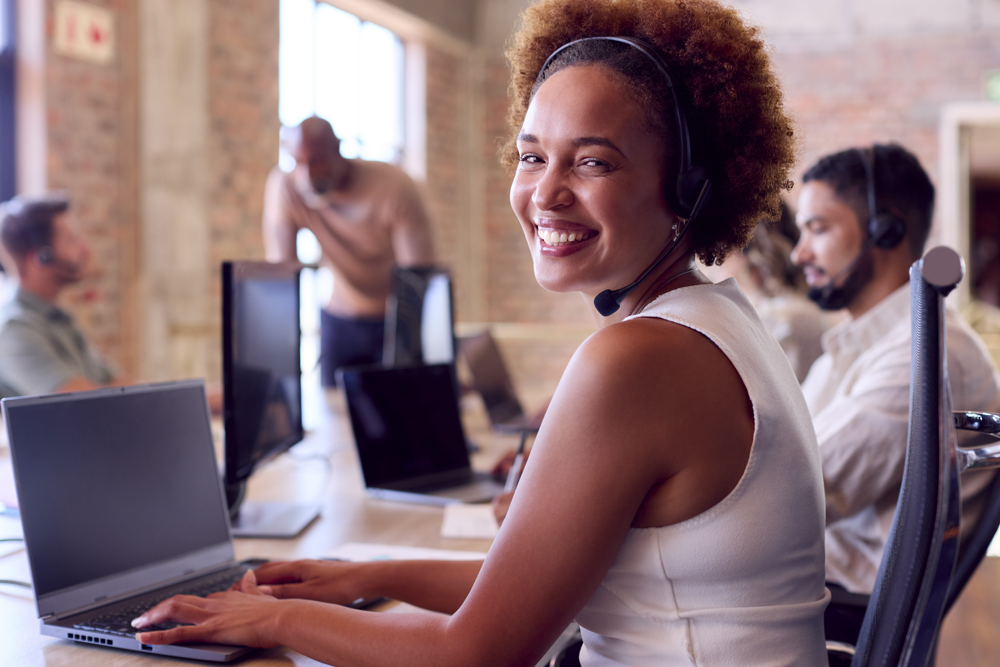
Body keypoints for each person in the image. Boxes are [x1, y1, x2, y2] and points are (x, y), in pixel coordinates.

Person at [134, 1, 829, 664]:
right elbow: (543, 583)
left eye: (592, 161)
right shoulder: (716, 320)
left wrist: (270, 617)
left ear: (690, 187)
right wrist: (360, 576)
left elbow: (478, 652)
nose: (545, 193)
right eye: (532, 156)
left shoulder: (639, 358)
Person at [790, 143, 1000, 598]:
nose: (799, 254)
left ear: (884, 231)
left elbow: (794, 494)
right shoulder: (858, 348)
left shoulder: (924, 355)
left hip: (832, 612)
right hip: (811, 589)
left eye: (818, 229)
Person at [262, 116, 436, 385]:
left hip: (394, 323)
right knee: (331, 414)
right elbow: (281, 278)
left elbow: (418, 278)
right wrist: (278, 371)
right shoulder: (287, 187)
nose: (307, 175)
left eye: (318, 160)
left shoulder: (394, 187)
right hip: (339, 321)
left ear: (339, 150)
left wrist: (420, 354)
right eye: (298, 162)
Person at [0, 193, 119, 396]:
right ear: (40, 258)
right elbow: (79, 403)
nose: (85, 249)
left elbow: (118, 384)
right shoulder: (14, 329)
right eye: (72, 240)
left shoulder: (56, 319)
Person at [702, 203, 830, 382]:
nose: (713, 264)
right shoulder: (783, 313)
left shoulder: (784, 321)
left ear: (745, 252)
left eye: (718, 251)